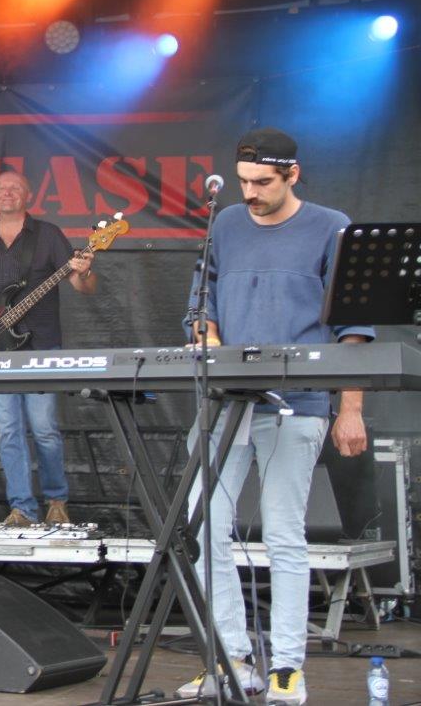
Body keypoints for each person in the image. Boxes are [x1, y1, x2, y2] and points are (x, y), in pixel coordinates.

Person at [177, 129, 373, 705]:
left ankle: (288, 666)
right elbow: (202, 303)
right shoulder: (226, 224)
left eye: (262, 182)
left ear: (292, 174)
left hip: (300, 401)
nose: (250, 193)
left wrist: (351, 408)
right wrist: (208, 337)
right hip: (225, 401)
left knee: (285, 533)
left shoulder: (331, 226)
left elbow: (354, 328)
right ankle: (232, 659)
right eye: (243, 182)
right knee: (202, 526)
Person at [0, 171, 96, 528]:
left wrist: (84, 271)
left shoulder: (48, 235)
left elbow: (83, 286)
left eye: (15, 187)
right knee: (8, 430)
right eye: (2, 188)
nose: (8, 192)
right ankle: (22, 509)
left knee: (44, 428)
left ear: (28, 195)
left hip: (42, 346)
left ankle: (57, 502)